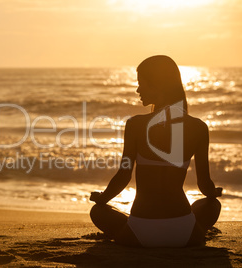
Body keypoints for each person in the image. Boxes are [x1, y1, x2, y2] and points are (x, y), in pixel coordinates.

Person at [89, 55, 222, 247]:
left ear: (157, 86)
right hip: (184, 232)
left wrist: (102, 198)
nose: (138, 90)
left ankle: (130, 229)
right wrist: (213, 192)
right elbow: (204, 184)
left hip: (140, 232)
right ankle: (188, 230)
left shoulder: (135, 124)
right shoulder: (199, 127)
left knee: (98, 212)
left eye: (141, 83)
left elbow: (123, 175)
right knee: (211, 205)